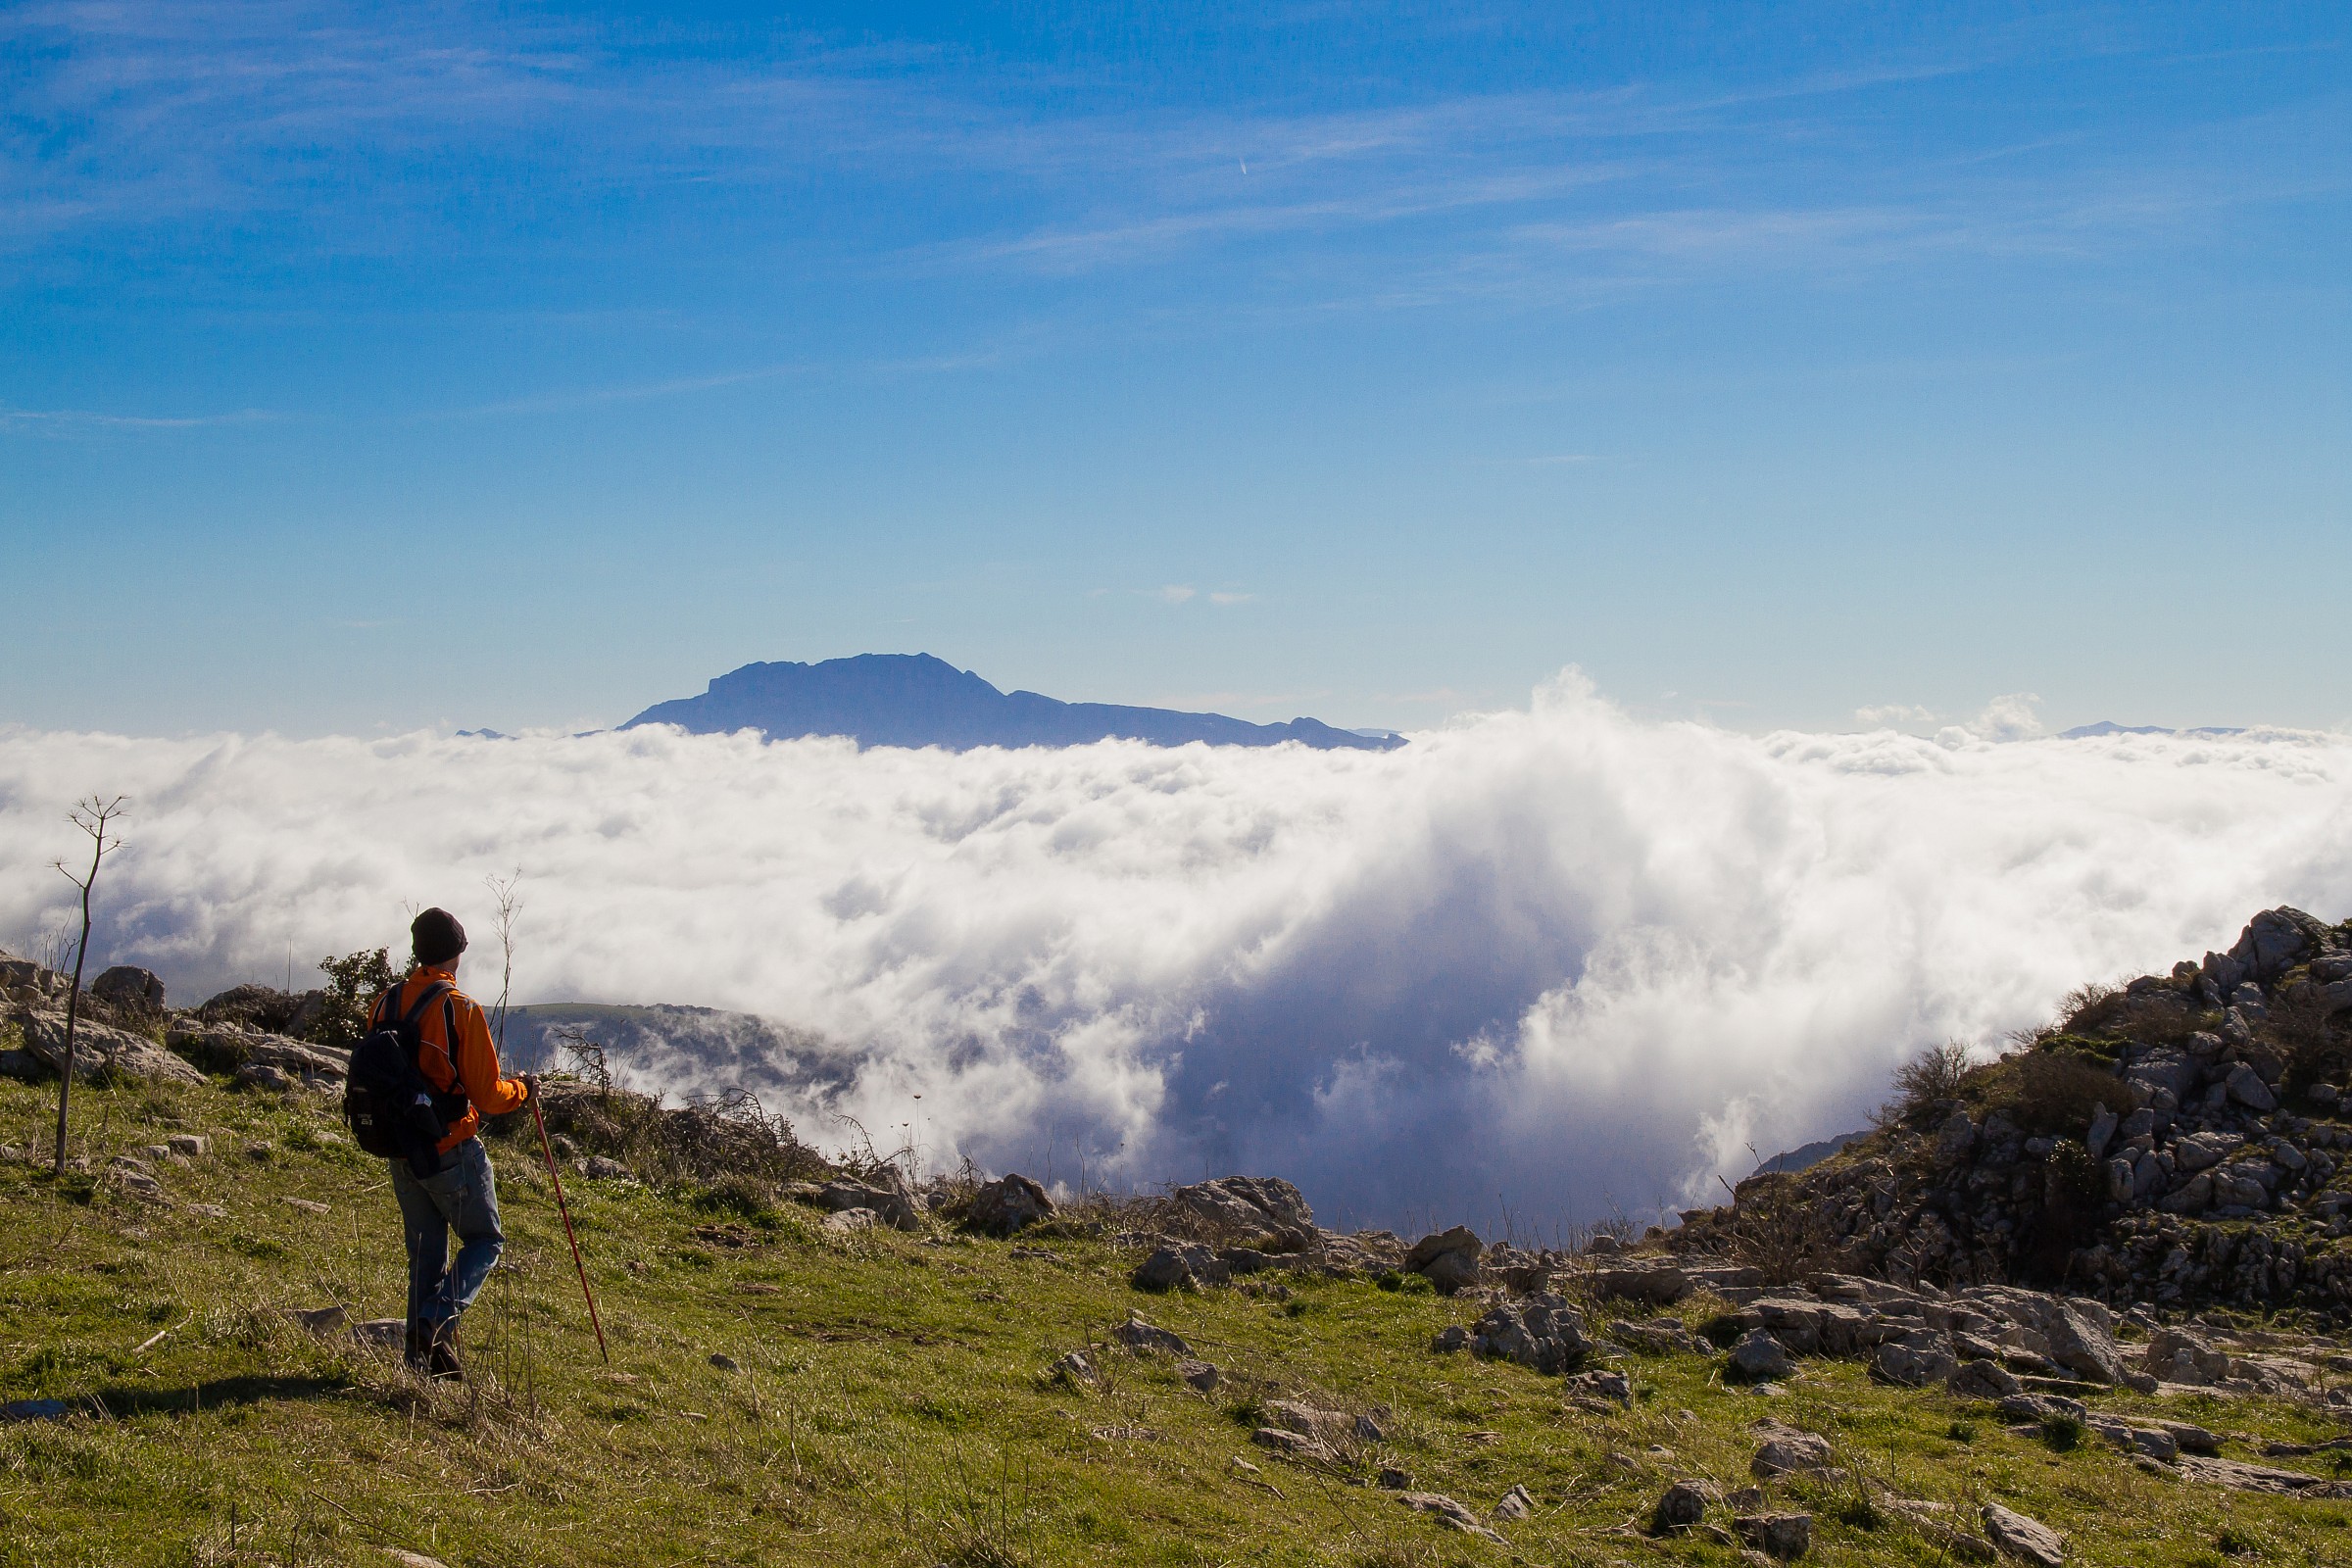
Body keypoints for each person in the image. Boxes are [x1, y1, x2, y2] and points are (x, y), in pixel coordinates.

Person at [371, 906, 536, 1379]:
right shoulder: (460, 1009)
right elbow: (487, 1095)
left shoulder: (386, 1002)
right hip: (450, 1148)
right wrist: (523, 1091)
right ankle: (436, 1319)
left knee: (424, 1256)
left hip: (401, 1149)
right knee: (486, 1240)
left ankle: (421, 1362)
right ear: (457, 953)